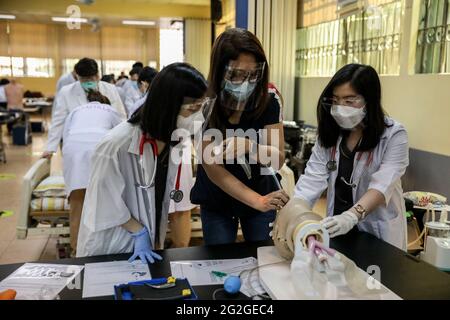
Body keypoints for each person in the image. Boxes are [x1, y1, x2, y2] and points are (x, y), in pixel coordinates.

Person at [76, 63, 210, 260]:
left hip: (150, 239)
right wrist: (139, 232)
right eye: (193, 109)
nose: (199, 116)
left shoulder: (172, 140)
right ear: (168, 106)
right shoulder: (116, 145)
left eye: (202, 107)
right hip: (112, 245)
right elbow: (102, 200)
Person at [292, 63, 409, 250]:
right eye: (336, 100)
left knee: (376, 276)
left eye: (349, 100)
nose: (340, 107)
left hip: (376, 230)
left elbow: (382, 185)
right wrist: (293, 214)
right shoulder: (330, 134)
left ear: (369, 100)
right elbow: (311, 180)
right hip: (337, 227)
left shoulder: (393, 135)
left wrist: (352, 215)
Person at [190, 28, 289, 245]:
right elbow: (214, 169)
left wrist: (251, 147)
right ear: (219, 71)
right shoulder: (206, 103)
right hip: (218, 199)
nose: (245, 82)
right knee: (219, 260)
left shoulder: (269, 100)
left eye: (252, 74)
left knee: (264, 258)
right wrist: (258, 201)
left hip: (261, 191)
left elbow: (277, 158)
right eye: (235, 74)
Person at [62, 90, 123, 255]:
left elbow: (65, 136)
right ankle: (102, 249)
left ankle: (76, 250)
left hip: (73, 149)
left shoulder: (76, 111)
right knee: (104, 197)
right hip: (100, 146)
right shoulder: (112, 111)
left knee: (77, 201)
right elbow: (123, 135)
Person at [42, 57, 126, 159]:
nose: (87, 82)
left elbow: (120, 117)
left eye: (90, 79)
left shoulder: (110, 90)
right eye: (83, 79)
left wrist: (122, 142)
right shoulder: (67, 92)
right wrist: (50, 148)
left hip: (104, 144)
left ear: (98, 76)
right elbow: (58, 121)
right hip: (76, 145)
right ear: (77, 77)